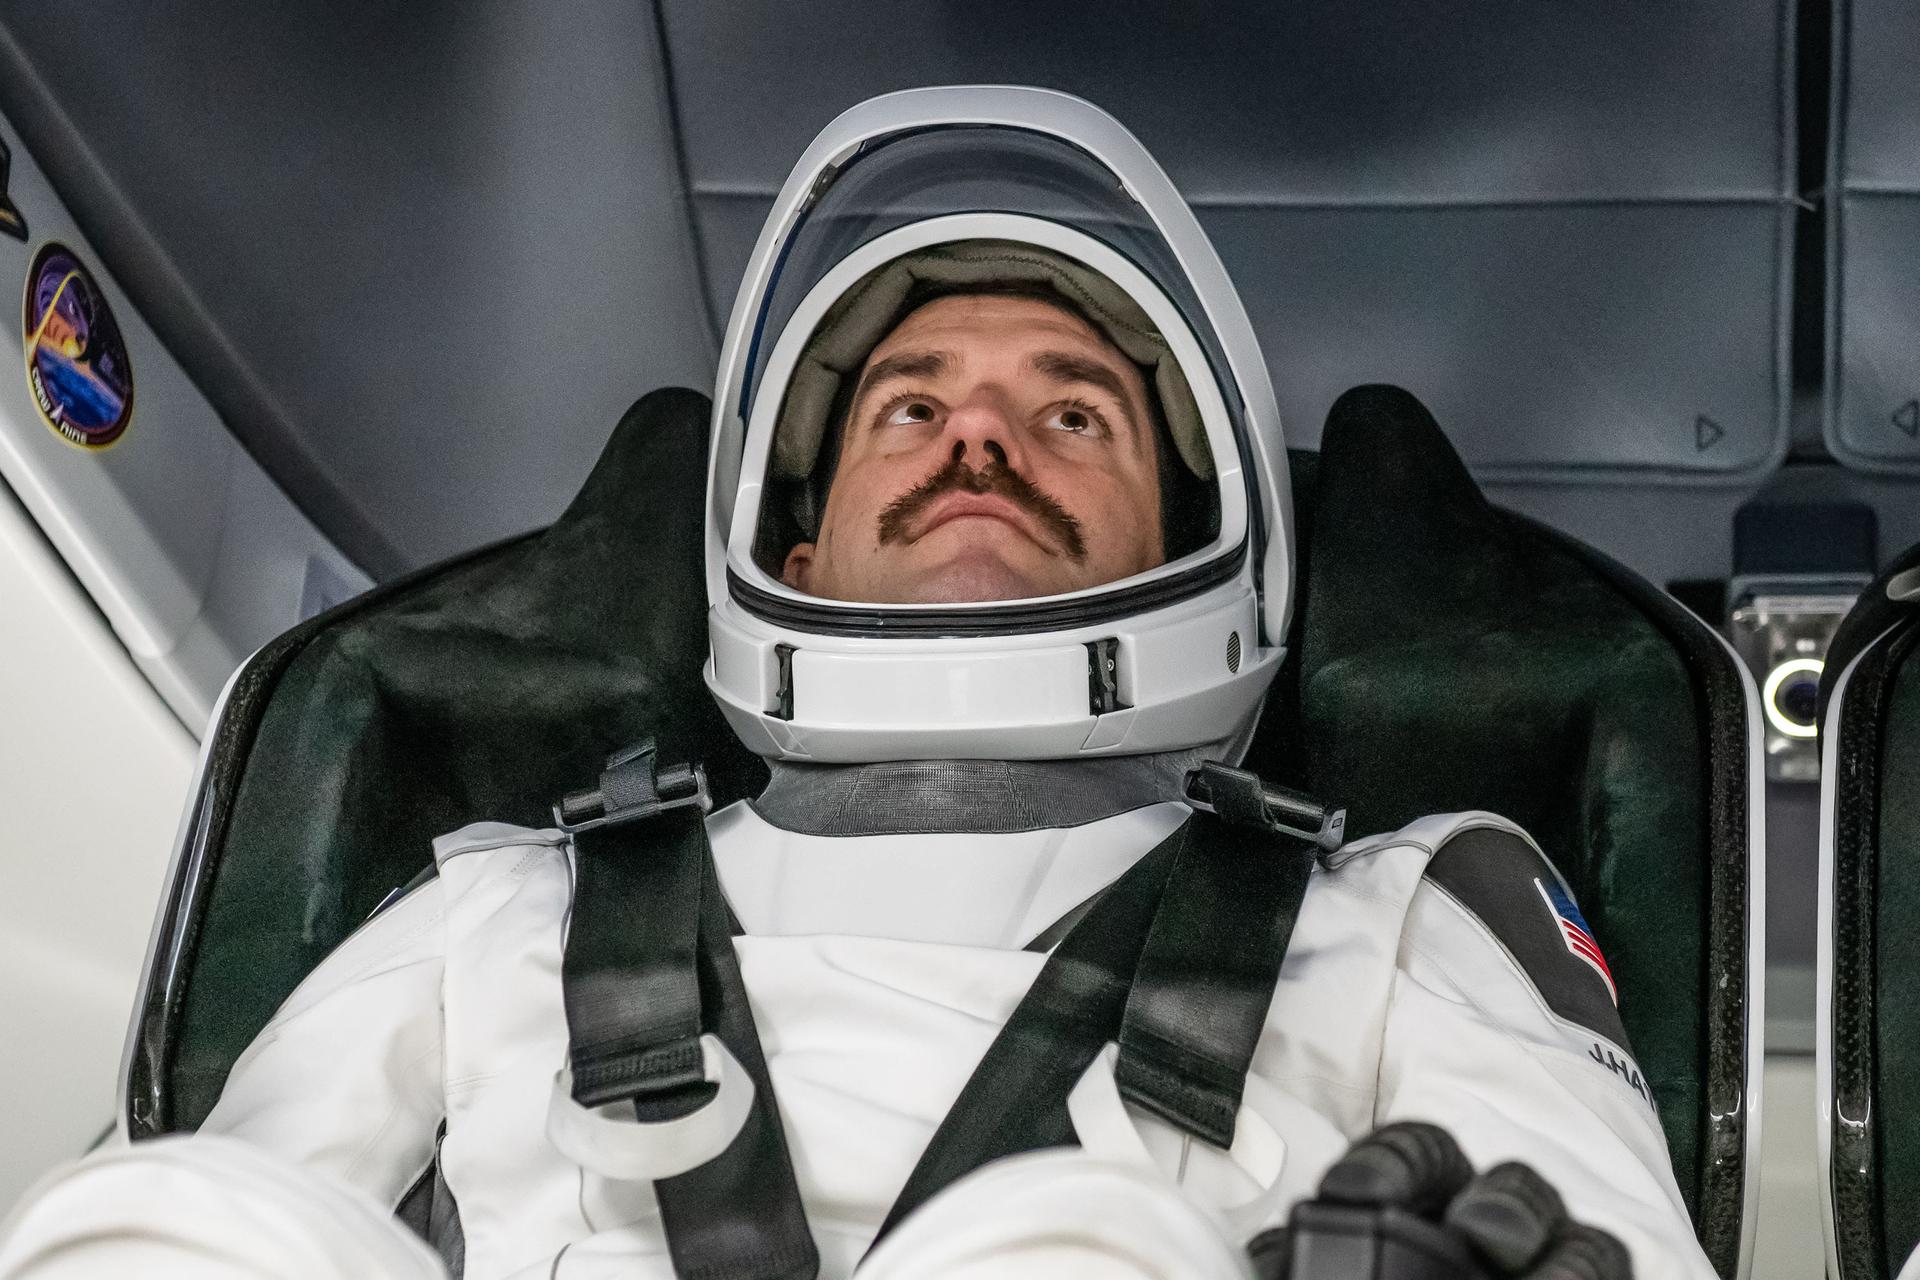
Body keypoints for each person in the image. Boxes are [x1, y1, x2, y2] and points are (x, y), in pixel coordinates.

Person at [0, 87, 1712, 1280]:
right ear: (795, 560)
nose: (980, 433)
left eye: (1071, 413)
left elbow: (1600, 1240)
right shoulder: (496, 906)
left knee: (1069, 1259)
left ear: (1197, 539)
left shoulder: (1407, 909)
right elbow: (235, 1217)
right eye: (910, 406)